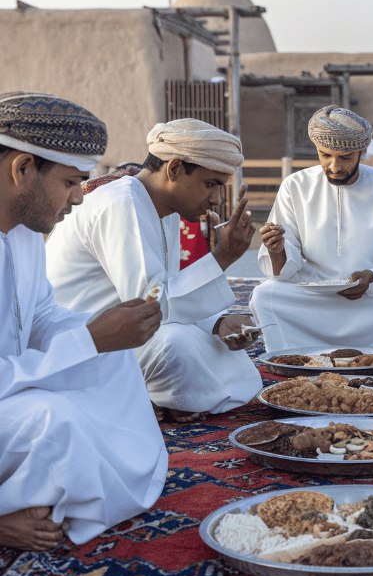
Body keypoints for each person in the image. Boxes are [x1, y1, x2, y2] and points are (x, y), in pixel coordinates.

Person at [0, 92, 167, 550]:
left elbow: (40, 315)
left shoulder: (24, 233)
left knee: (115, 362)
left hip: (10, 384)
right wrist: (89, 339)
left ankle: (61, 494)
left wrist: (103, 329)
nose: (79, 198)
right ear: (21, 169)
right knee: (53, 419)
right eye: (72, 182)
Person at [46, 118, 263, 423]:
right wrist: (222, 257)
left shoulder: (165, 210)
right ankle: (146, 396)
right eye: (210, 184)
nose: (215, 199)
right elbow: (151, 306)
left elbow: (165, 288)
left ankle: (166, 395)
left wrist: (217, 323)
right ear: (174, 169)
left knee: (214, 345)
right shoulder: (121, 203)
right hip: (83, 339)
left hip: (129, 325)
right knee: (175, 344)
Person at [250, 105, 373, 352]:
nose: (334, 166)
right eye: (325, 155)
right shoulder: (295, 185)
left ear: (362, 150)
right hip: (312, 294)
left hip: (368, 297)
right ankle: (292, 359)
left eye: (345, 158)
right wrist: (277, 250)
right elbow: (285, 267)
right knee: (266, 296)